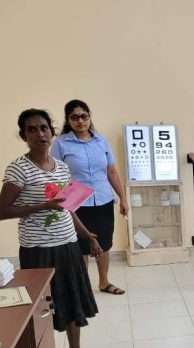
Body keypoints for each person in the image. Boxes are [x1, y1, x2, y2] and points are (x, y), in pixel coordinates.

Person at [0, 109, 108, 348]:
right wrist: (43, 205)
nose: (40, 134)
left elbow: (68, 208)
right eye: (32, 129)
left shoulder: (62, 168)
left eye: (44, 128)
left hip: (68, 244)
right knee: (41, 307)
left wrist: (88, 238)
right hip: (38, 249)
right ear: (24, 135)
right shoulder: (18, 169)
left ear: (52, 131)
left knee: (72, 300)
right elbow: (1, 212)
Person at [51, 99, 128, 295]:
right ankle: (83, 287)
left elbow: (111, 172)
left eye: (84, 116)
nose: (80, 121)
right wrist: (59, 204)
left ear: (89, 117)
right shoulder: (60, 143)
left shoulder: (101, 141)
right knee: (81, 246)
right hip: (76, 204)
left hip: (103, 200)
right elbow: (55, 176)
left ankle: (104, 282)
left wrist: (123, 198)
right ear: (68, 119)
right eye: (75, 117)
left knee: (104, 244)